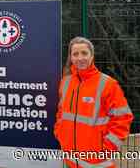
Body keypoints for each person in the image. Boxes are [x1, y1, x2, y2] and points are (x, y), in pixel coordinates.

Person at [54, 36, 134, 168]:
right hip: (71, 159)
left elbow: (123, 118)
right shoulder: (66, 82)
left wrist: (107, 149)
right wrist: (59, 132)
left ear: (92, 56)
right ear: (71, 57)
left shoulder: (108, 84)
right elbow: (61, 111)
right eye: (75, 54)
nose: (80, 58)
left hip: (98, 162)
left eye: (84, 53)